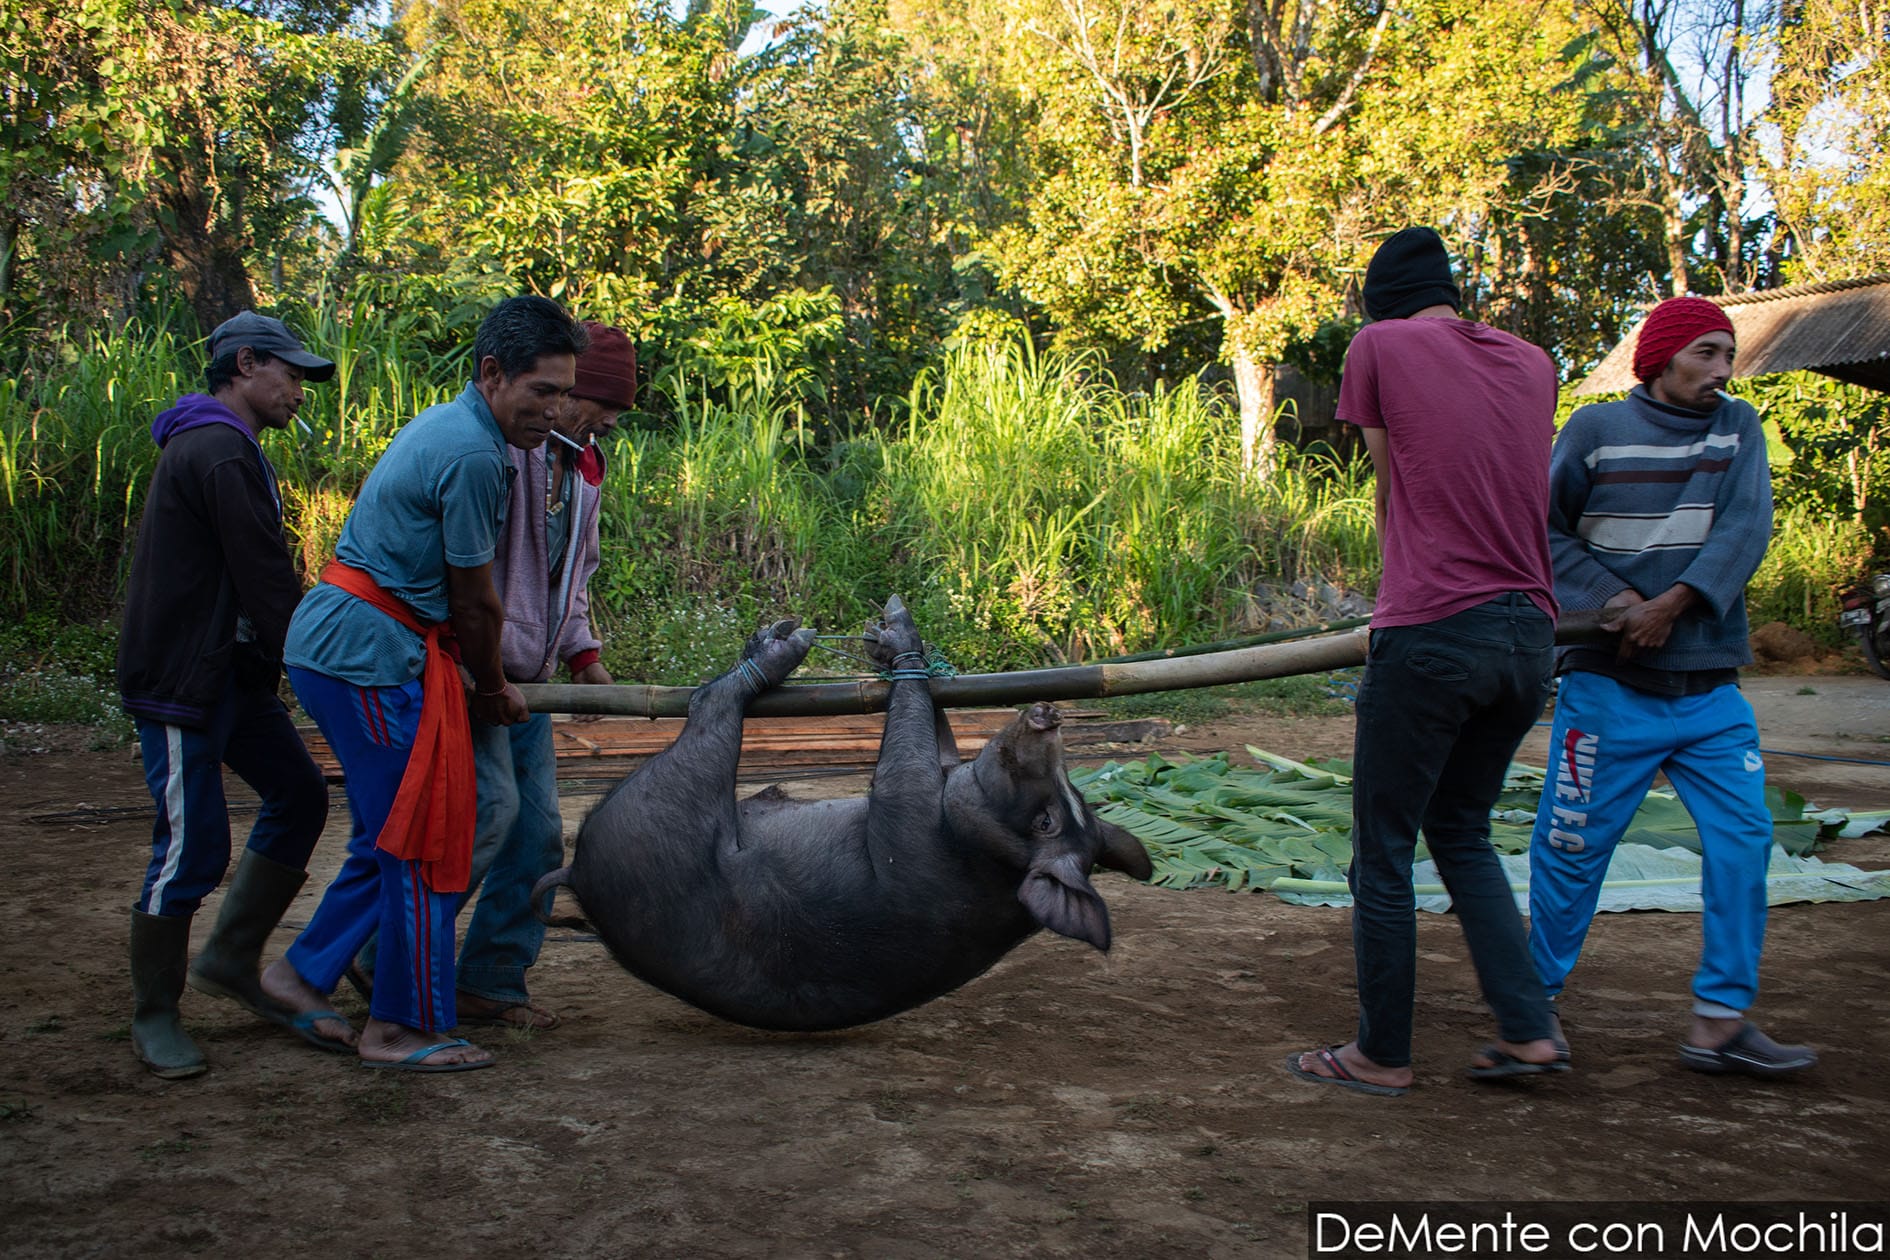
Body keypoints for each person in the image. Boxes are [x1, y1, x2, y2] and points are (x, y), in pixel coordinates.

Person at [259, 295, 587, 1072]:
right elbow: (475, 602)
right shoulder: (475, 455)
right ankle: (399, 1026)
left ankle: (299, 975)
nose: (556, 411)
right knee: (421, 839)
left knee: (392, 834)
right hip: (366, 655)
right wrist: (492, 689)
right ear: (492, 373)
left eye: (565, 393)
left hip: (361, 646)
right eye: (542, 390)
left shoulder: (459, 429)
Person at [1286, 226, 1566, 1096]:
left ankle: (1381, 1054)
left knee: (1382, 852)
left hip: (1435, 628)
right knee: (1462, 830)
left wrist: (1393, 602)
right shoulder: (1535, 363)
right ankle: (1530, 1031)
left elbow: (1392, 481)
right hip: (1531, 637)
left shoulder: (1379, 346)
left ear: (1382, 303)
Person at [1526, 296, 1815, 1078]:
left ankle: (1720, 1022)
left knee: (1744, 841)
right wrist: (1619, 602)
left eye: (1728, 355)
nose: (1723, 370)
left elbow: (1744, 528)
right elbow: (1545, 531)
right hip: (1608, 689)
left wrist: (1673, 605)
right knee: (1570, 846)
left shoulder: (1738, 428)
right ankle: (1532, 1008)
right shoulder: (1595, 431)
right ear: (1661, 360)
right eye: (1706, 354)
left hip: (1709, 693)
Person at [356, 321, 634, 1029]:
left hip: (525, 680)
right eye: (597, 402)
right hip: (472, 669)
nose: (605, 418)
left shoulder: (586, 466)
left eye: (614, 408)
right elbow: (470, 577)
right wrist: (477, 671)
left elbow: (573, 574)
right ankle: (379, 959)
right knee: (482, 820)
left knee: (536, 835)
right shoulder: (501, 452)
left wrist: (583, 654)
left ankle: (492, 979)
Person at [115, 311, 335, 1079]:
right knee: (192, 845)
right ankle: (155, 1012)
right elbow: (265, 577)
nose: (299, 392)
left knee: (300, 795)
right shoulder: (215, 450)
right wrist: (319, 660)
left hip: (231, 676)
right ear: (245, 364)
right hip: (185, 682)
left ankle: (233, 960)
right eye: (290, 375)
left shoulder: (230, 449)